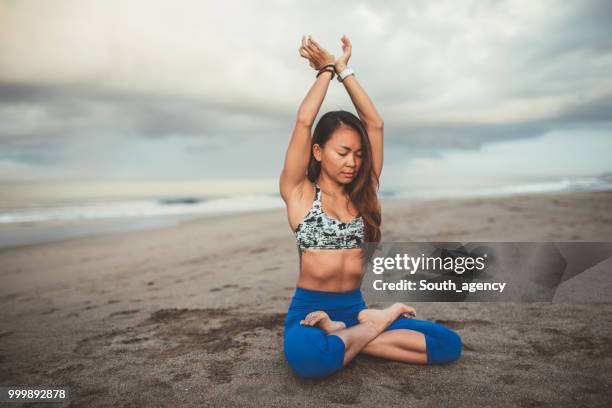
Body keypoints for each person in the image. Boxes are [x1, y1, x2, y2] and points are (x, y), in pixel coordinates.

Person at [278, 35, 462, 379]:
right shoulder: (300, 194)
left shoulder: (365, 193)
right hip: (310, 314)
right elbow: (304, 122)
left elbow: (374, 123)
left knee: (448, 344)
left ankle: (343, 336)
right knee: (308, 360)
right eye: (343, 152)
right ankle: (372, 326)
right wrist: (326, 71)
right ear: (318, 152)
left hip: (355, 310)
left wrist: (346, 70)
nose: (353, 162)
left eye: (359, 154)